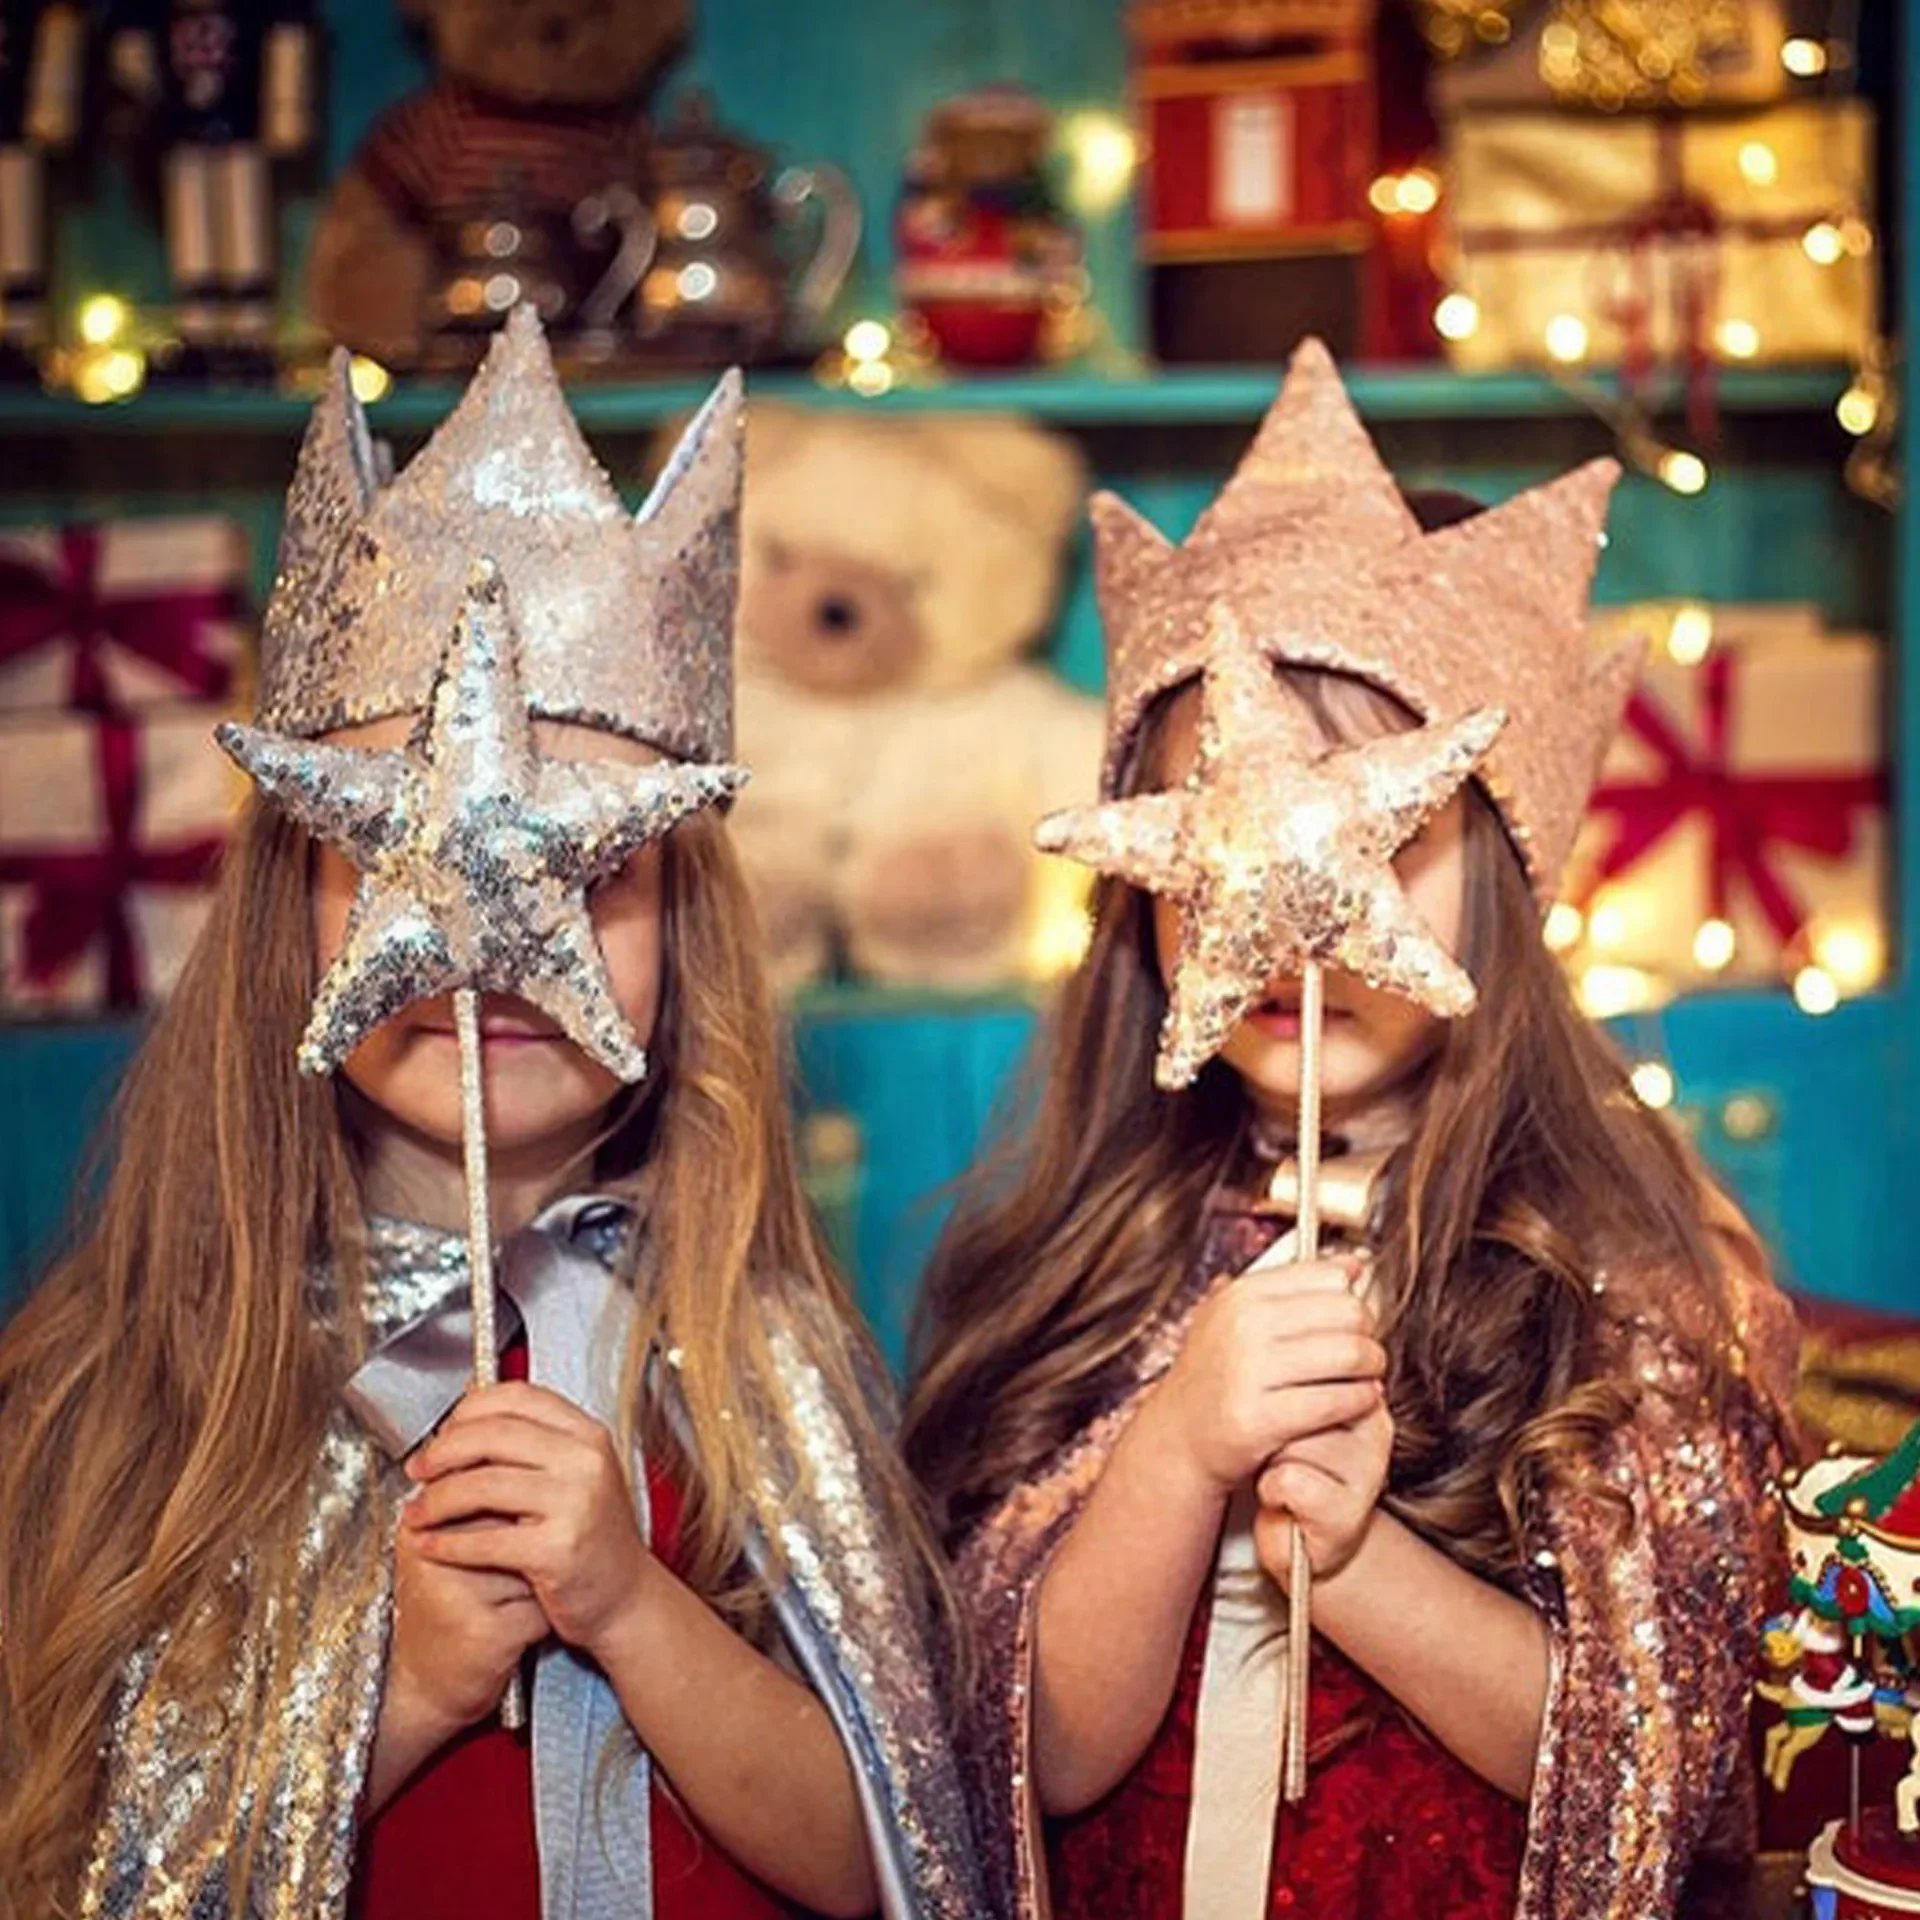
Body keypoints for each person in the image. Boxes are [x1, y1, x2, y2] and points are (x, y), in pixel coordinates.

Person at [0, 310, 979, 1920]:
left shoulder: (753, 1362)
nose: (495, 931)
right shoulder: (146, 1387)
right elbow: (101, 1869)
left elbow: (894, 1859)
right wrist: (404, 1689)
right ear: (290, 912)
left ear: (688, 933)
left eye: (594, 867)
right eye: (402, 852)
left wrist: (630, 1607)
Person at [904, 340, 1799, 1920]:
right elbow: (1031, 1760)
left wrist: (1358, 1554)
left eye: (1378, 828)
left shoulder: (1625, 1295)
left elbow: (1645, 1769)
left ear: (1502, 880)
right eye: (1225, 826)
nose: (1292, 903)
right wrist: (1182, 1447)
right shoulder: (1097, 1266)